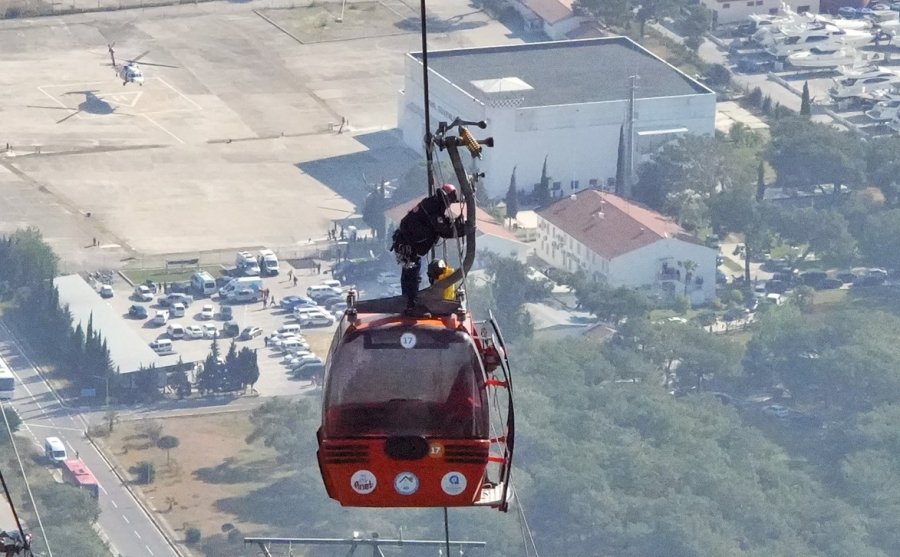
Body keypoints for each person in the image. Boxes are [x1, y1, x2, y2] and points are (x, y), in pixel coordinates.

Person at [391, 184, 467, 311]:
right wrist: (464, 230)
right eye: (450, 201)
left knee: (411, 274)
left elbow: (443, 223)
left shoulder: (433, 204)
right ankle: (410, 304)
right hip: (408, 246)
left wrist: (458, 224)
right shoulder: (433, 207)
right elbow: (444, 230)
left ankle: (409, 301)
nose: (449, 205)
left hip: (407, 244)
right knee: (412, 275)